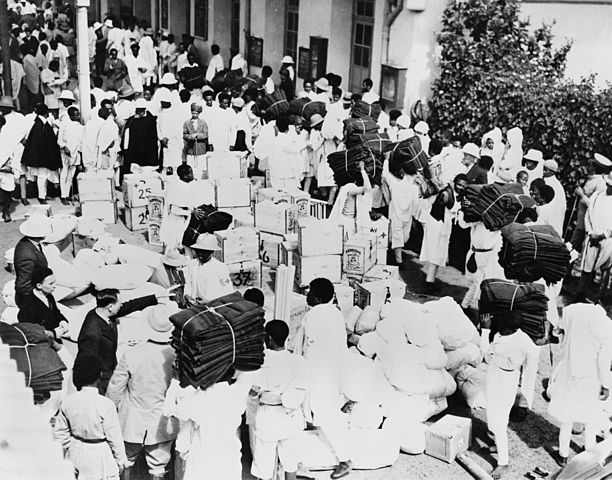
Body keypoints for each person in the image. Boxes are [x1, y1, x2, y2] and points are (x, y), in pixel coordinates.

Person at [106, 306, 180, 480]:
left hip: (132, 418)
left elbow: (115, 389)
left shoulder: (131, 354)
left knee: (126, 460)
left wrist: (110, 414)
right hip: (163, 419)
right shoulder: (177, 356)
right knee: (159, 465)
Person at [292, 278, 353, 479]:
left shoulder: (313, 316)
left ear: (316, 297)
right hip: (333, 371)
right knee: (319, 413)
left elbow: (303, 347)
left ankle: (345, 460)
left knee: (323, 415)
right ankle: (300, 461)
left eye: (309, 293)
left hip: (317, 374)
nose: (306, 296)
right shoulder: (335, 314)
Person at [547, 303, 612, 468]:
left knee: (567, 415)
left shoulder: (574, 311)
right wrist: (605, 384)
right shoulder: (607, 326)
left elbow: (558, 330)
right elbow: (604, 361)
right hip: (592, 376)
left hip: (570, 370)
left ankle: (563, 454)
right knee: (591, 415)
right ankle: (589, 449)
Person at [77, 288, 166, 394]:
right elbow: (87, 363)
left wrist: (155, 297)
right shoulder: (91, 332)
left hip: (110, 366)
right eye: (119, 303)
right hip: (101, 378)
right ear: (110, 307)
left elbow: (130, 305)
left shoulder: (104, 312)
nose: (121, 305)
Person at [250, 320, 308, 480]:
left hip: (269, 417)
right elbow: (304, 390)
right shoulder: (299, 362)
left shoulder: (261, 362)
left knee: (264, 465)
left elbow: (252, 392)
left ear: (267, 338)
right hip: (291, 416)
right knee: (290, 463)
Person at [484, 311, 539, 479]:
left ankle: (503, 462)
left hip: (506, 378)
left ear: (514, 329)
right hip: (495, 373)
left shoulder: (523, 342)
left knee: (498, 420)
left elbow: (485, 352)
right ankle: (496, 442)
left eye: (504, 328)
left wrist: (485, 331)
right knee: (493, 413)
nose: (500, 330)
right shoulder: (503, 334)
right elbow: (488, 357)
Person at [54, 352, 127, 480]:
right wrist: (120, 461)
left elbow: (60, 435)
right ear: (99, 375)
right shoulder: (105, 404)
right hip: (99, 456)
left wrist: (71, 448)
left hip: (75, 452)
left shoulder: (68, 402)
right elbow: (114, 438)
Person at [420, 174, 468, 292]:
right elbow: (447, 203)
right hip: (437, 225)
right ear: (454, 182)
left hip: (444, 225)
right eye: (459, 184)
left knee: (438, 255)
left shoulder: (455, 193)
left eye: (463, 186)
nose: (461, 187)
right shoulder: (447, 192)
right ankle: (429, 283)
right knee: (435, 255)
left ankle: (430, 281)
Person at [575, 172, 612, 301]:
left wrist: (603, 235)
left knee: (605, 268)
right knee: (587, 266)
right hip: (592, 236)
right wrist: (591, 233)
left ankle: (600, 296)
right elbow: (588, 216)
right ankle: (581, 294)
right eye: (609, 185)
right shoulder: (597, 196)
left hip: (607, 240)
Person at [570, 153, 612, 252]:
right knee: (575, 247)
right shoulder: (592, 178)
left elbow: (596, 206)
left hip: (589, 223)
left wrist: (582, 195)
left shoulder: (601, 182)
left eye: (592, 165)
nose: (589, 167)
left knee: (575, 247)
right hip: (582, 220)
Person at [22, 103, 61, 204]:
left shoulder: (39, 124)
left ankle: (43, 195)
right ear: (46, 112)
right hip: (42, 158)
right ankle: (41, 197)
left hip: (41, 157)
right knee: (42, 177)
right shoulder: (41, 125)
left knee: (44, 177)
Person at [383, 158, 421, 264]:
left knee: (405, 238)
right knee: (398, 238)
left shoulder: (408, 180)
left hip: (407, 214)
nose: (400, 173)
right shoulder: (394, 182)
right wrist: (386, 160)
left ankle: (394, 251)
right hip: (396, 214)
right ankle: (398, 261)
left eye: (401, 170)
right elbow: (385, 174)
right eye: (397, 171)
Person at [16, 266, 69, 340]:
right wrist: (54, 333)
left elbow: (55, 312)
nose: (55, 286)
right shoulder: (28, 307)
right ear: (39, 285)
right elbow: (31, 333)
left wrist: (62, 321)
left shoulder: (49, 296)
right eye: (51, 284)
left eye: (54, 282)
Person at [183, 233, 233, 305]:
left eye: (203, 251)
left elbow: (228, 291)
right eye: (198, 250)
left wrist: (210, 301)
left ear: (211, 251)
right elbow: (188, 283)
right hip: (194, 306)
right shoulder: (192, 264)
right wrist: (187, 295)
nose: (199, 253)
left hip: (213, 307)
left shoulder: (220, 267)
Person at [160, 164, 199, 250]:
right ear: (185, 176)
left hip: (184, 220)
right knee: (173, 245)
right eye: (190, 173)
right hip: (176, 221)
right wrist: (191, 212)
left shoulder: (187, 185)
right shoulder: (177, 187)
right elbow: (174, 210)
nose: (193, 174)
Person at [120, 98, 159, 176]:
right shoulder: (131, 121)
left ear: (144, 109)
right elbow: (126, 135)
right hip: (135, 154)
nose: (138, 111)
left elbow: (154, 138)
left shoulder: (151, 120)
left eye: (140, 109)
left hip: (148, 154)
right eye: (137, 109)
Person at [266, 115, 303, 190]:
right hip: (289, 176)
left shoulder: (272, 141)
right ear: (289, 128)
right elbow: (297, 158)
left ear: (276, 127)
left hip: (276, 175)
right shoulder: (290, 141)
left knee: (277, 198)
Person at [58, 106, 83, 204]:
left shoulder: (81, 127)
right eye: (75, 115)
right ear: (70, 115)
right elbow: (59, 140)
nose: (77, 117)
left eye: (78, 115)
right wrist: (64, 147)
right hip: (65, 153)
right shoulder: (64, 124)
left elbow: (81, 142)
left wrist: (79, 154)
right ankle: (63, 196)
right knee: (64, 174)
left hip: (75, 154)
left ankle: (67, 194)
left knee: (71, 176)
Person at [157, 91, 185, 171]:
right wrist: (161, 138)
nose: (162, 104)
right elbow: (158, 126)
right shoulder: (160, 112)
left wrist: (168, 137)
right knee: (165, 165)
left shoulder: (175, 112)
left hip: (174, 142)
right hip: (163, 142)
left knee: (175, 164)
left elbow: (177, 128)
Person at [183, 103, 208, 179]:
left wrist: (197, 135)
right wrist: (190, 137)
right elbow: (184, 134)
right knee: (191, 165)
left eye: (196, 113)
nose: (195, 115)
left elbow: (205, 134)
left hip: (200, 148)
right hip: (191, 149)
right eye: (193, 113)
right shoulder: (187, 123)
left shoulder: (203, 123)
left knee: (201, 167)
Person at [542, 159, 567, 236]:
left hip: (552, 215)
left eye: (545, 170)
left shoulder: (550, 183)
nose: (543, 171)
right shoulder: (555, 183)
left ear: (551, 172)